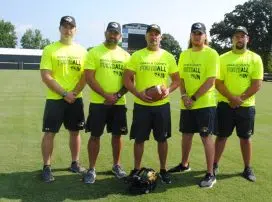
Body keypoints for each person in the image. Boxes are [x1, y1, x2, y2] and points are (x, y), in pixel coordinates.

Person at [123, 24, 180, 184]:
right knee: (139, 139)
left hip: (161, 106)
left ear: (160, 37)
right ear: (146, 37)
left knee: (162, 139)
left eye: (156, 34)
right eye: (151, 34)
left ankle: (163, 170)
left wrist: (168, 90)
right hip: (142, 106)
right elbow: (126, 79)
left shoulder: (168, 56)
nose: (153, 37)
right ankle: (136, 169)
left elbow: (176, 80)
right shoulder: (137, 56)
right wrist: (138, 94)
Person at [168, 23, 219, 188]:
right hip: (187, 103)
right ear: (190, 35)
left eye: (200, 33)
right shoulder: (184, 54)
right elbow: (181, 79)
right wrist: (184, 96)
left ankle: (210, 173)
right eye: (194, 33)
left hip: (204, 104)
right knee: (186, 135)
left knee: (206, 137)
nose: (197, 36)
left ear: (205, 36)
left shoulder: (211, 53)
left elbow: (211, 80)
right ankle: (184, 164)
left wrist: (194, 97)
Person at [40, 16, 87, 182]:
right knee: (49, 133)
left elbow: (85, 76)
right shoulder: (50, 49)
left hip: (75, 98)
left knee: (75, 132)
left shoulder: (82, 51)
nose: (68, 30)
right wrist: (64, 93)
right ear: (59, 28)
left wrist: (73, 93)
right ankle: (46, 167)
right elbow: (46, 76)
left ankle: (75, 163)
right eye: (65, 26)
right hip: (55, 99)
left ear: (76, 30)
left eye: (71, 27)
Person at [213, 26, 263, 182]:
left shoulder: (255, 58)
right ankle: (213, 165)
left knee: (245, 138)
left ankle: (247, 168)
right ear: (232, 39)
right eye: (236, 36)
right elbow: (218, 83)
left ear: (247, 39)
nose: (239, 39)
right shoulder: (222, 58)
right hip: (225, 105)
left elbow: (257, 84)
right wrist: (232, 98)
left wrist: (239, 99)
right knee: (221, 137)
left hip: (246, 106)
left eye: (242, 36)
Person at [83, 22, 130, 184]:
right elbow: (89, 77)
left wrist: (116, 95)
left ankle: (116, 166)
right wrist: (105, 95)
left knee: (117, 136)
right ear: (105, 33)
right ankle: (91, 169)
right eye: (110, 32)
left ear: (120, 36)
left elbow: (130, 80)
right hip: (98, 103)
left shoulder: (125, 56)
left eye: (116, 33)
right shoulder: (94, 52)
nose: (113, 35)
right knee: (95, 136)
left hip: (118, 103)